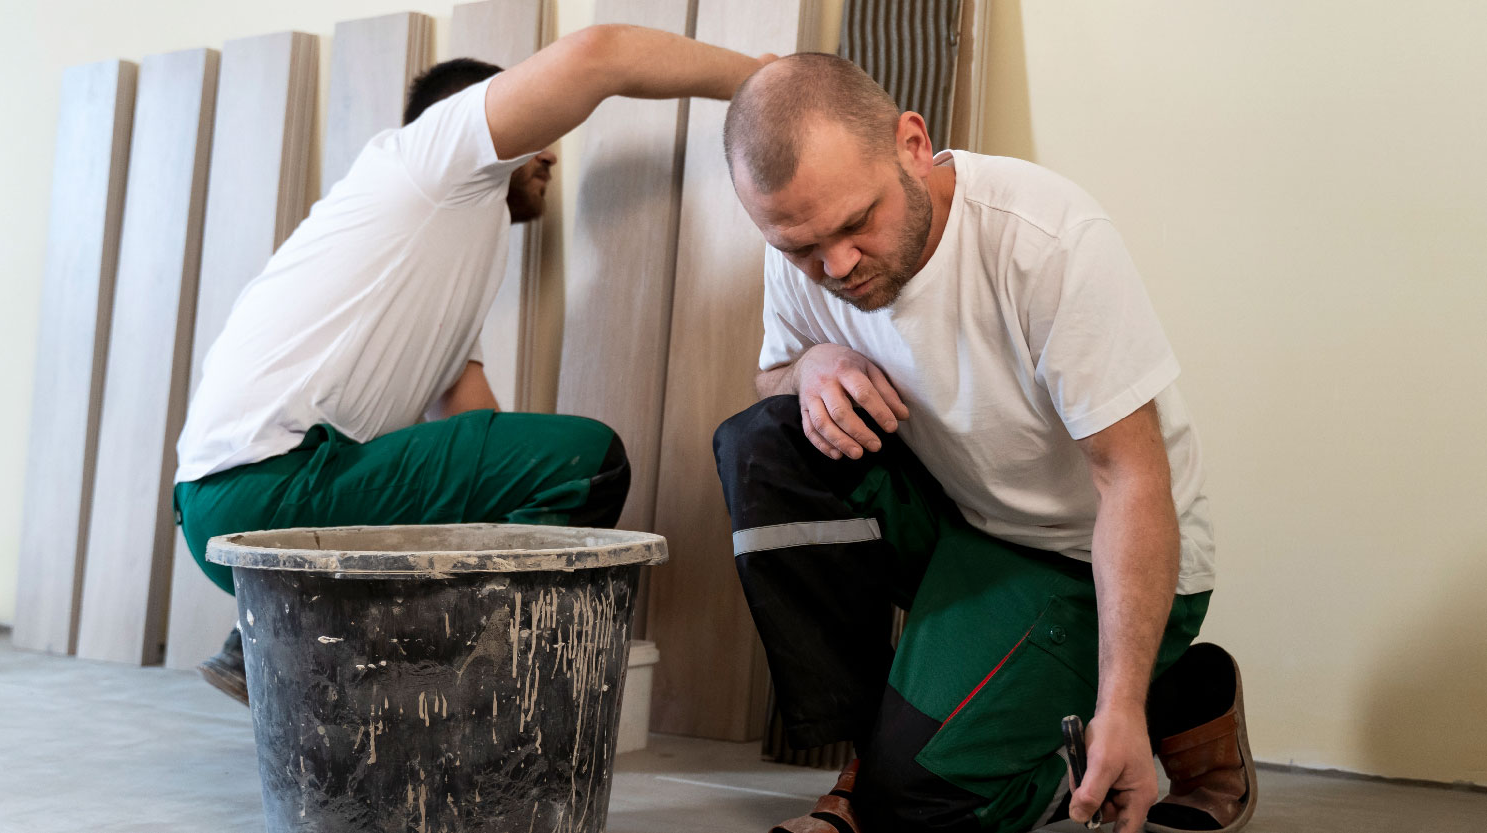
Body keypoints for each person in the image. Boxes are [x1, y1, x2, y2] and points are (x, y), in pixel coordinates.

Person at [712, 54, 1255, 833]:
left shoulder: (1046, 240)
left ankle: (1169, 694)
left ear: (911, 143)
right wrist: (810, 365)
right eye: (801, 247)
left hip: (1092, 556)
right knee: (762, 441)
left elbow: (1131, 480)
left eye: (856, 224)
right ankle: (868, 757)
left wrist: (1122, 705)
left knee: (922, 809)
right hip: (969, 527)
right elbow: (773, 378)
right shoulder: (804, 244)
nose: (834, 266)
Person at [173, 25, 768, 705]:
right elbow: (599, 52)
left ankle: (291, 633)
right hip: (263, 486)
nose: (549, 152)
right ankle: (459, 692)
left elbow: (469, 420)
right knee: (589, 459)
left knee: (552, 470)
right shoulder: (431, 156)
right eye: (535, 132)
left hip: (233, 499)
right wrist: (757, 77)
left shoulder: (448, 240)